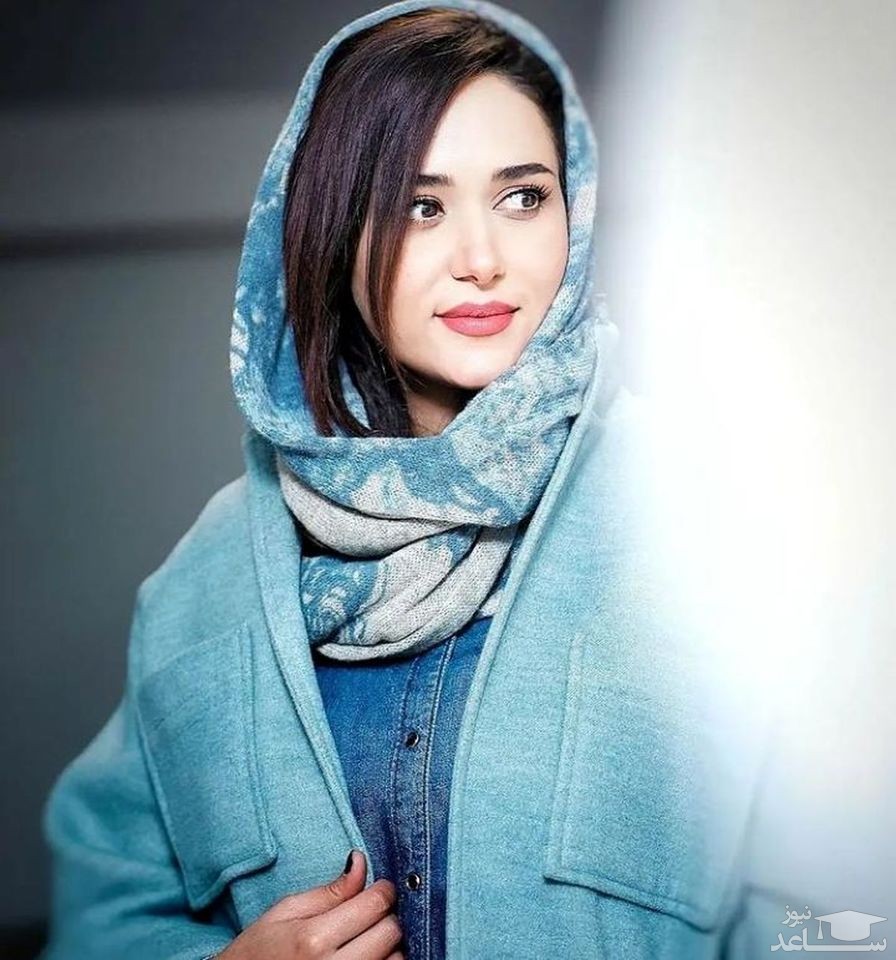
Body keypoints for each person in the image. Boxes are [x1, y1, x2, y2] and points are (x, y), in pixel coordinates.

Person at [39, 1, 792, 958]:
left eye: (523, 198)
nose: (482, 260)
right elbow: (101, 915)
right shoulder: (209, 579)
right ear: (334, 237)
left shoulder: (719, 520)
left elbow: (847, 907)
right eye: (420, 207)